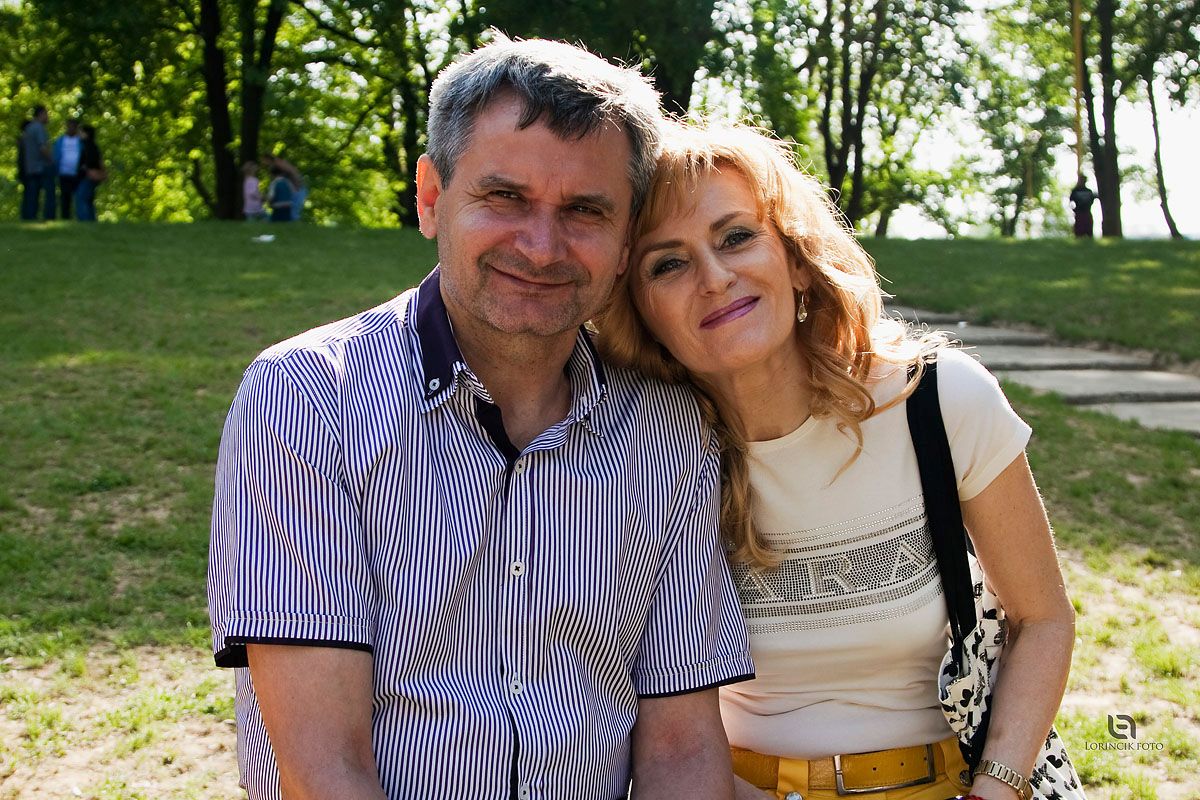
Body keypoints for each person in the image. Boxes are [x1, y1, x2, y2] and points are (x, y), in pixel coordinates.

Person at [208, 36, 753, 800]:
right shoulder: (307, 400)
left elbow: (683, 750)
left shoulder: (667, 432)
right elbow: (324, 772)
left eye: (585, 211)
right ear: (431, 198)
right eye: (505, 197)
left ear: (627, 239)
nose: (542, 246)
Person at [595, 123, 1077, 800]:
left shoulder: (937, 401)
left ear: (796, 260)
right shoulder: (638, 453)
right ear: (640, 311)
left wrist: (996, 787)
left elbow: (1043, 620)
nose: (715, 278)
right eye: (667, 264)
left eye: (737, 237)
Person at [20, 105, 55, 221]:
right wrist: (51, 160)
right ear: (41, 114)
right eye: (46, 114)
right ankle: (49, 216)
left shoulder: (28, 128)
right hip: (41, 166)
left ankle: (29, 217)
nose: (48, 117)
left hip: (30, 167)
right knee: (49, 193)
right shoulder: (39, 128)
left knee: (31, 195)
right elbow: (42, 148)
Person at [54, 118, 84, 220]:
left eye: (73, 126)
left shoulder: (80, 141)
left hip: (78, 174)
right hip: (64, 173)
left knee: (79, 197)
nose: (71, 128)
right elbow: (56, 156)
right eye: (69, 126)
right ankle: (65, 218)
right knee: (65, 197)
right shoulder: (60, 140)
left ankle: (80, 218)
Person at [262, 151, 306, 220]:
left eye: (264, 160)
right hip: (295, 187)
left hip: (297, 188)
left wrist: (297, 186)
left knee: (293, 212)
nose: (263, 163)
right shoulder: (278, 165)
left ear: (267, 159)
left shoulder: (278, 163)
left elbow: (292, 173)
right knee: (291, 211)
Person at [75, 124, 104, 222]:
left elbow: (90, 161)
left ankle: (85, 219)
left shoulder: (88, 145)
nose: (79, 134)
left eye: (81, 132)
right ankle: (91, 220)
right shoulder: (92, 145)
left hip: (88, 176)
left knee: (81, 198)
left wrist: (86, 169)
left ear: (86, 134)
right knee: (89, 199)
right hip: (90, 177)